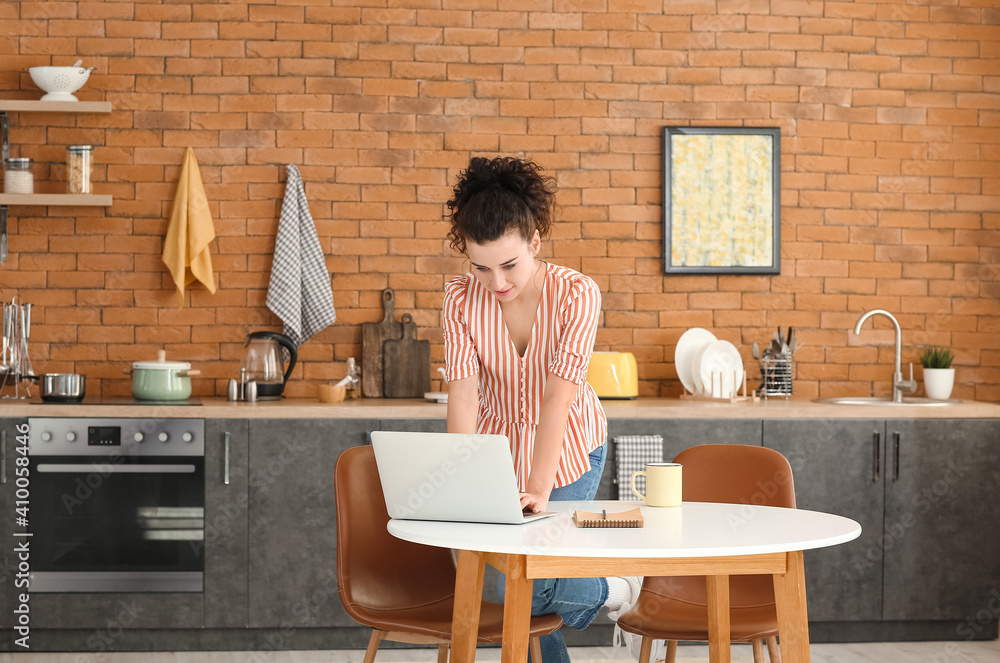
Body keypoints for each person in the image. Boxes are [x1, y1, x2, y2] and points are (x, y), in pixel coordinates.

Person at [441, 156, 641, 663]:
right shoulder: (460, 299)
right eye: (481, 267)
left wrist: (539, 489)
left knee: (525, 579)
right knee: (505, 584)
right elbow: (463, 395)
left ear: (535, 242)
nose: (497, 283)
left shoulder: (576, 294)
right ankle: (613, 592)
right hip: (498, 443)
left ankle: (618, 588)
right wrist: (462, 479)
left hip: (568, 443)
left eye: (509, 265)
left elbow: (559, 396)